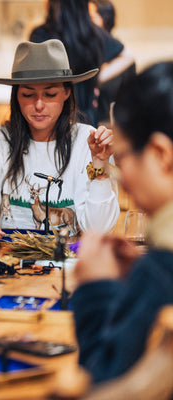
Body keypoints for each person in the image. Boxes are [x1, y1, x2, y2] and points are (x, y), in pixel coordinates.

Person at [0, 39, 119, 244]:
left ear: (66, 92)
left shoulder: (87, 141)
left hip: (67, 267)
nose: (39, 105)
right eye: (28, 94)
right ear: (16, 95)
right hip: (8, 261)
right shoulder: (1, 139)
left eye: (50, 94)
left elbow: (99, 232)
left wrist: (100, 167)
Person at [72, 61, 173, 383]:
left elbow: (105, 379)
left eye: (124, 157)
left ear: (160, 153)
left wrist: (96, 287)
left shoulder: (161, 269)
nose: (123, 177)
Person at [29, 0, 133, 127]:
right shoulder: (92, 33)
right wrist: (96, 78)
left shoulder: (42, 34)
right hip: (87, 119)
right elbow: (127, 56)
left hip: (54, 118)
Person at [89, 0, 136, 125]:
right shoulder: (85, 52)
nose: (87, 23)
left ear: (106, 19)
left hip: (111, 127)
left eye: (92, 17)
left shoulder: (122, 57)